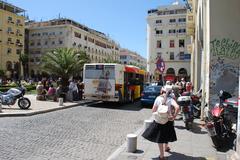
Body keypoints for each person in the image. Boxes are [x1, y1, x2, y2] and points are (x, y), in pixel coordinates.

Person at [142, 85, 180, 160]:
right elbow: (177, 107)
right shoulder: (171, 99)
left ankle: (162, 156)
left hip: (159, 121)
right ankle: (166, 147)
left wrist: (159, 112)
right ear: (170, 92)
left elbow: (153, 110)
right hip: (168, 120)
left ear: (162, 91)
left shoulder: (158, 98)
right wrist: (174, 116)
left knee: (160, 138)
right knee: (167, 134)